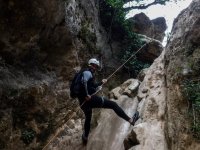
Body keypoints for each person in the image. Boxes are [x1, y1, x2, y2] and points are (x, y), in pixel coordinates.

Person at [77, 58, 139, 145]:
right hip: (88, 100)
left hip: (83, 102)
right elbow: (84, 82)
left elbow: (90, 86)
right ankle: (131, 120)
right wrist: (87, 94)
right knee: (113, 104)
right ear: (93, 65)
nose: (96, 69)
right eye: (96, 66)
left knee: (88, 117)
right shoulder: (88, 72)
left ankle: (85, 137)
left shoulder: (83, 73)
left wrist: (100, 84)